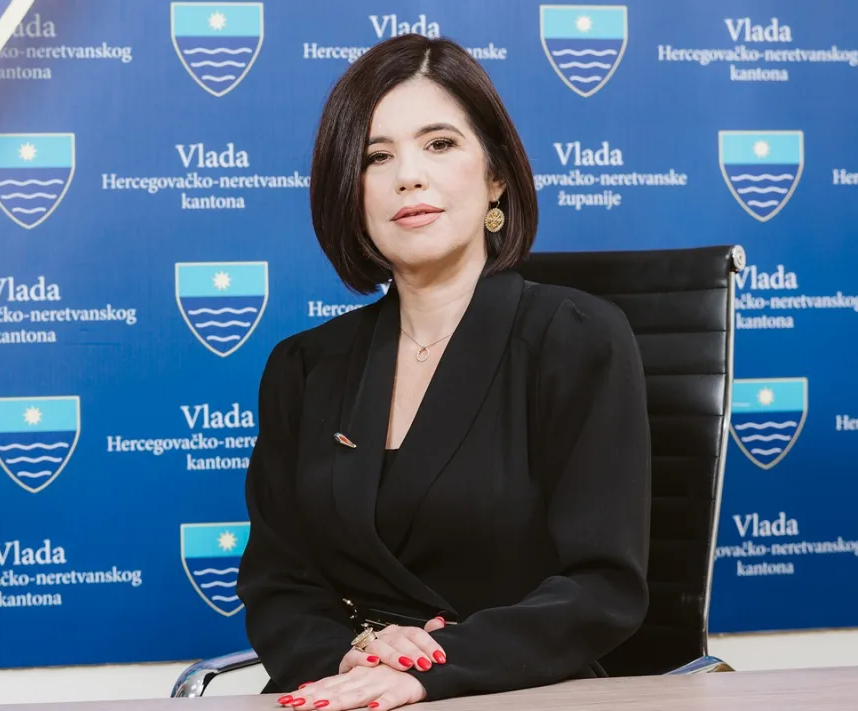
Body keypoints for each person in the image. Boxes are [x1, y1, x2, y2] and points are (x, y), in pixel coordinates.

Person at [235, 33, 651, 711]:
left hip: (516, 689)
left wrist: (429, 666)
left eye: (439, 143)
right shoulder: (303, 367)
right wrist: (351, 654)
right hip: (345, 691)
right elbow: (277, 582)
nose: (408, 176)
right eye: (376, 156)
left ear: (496, 176)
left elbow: (601, 587)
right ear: (350, 192)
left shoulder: (576, 339)